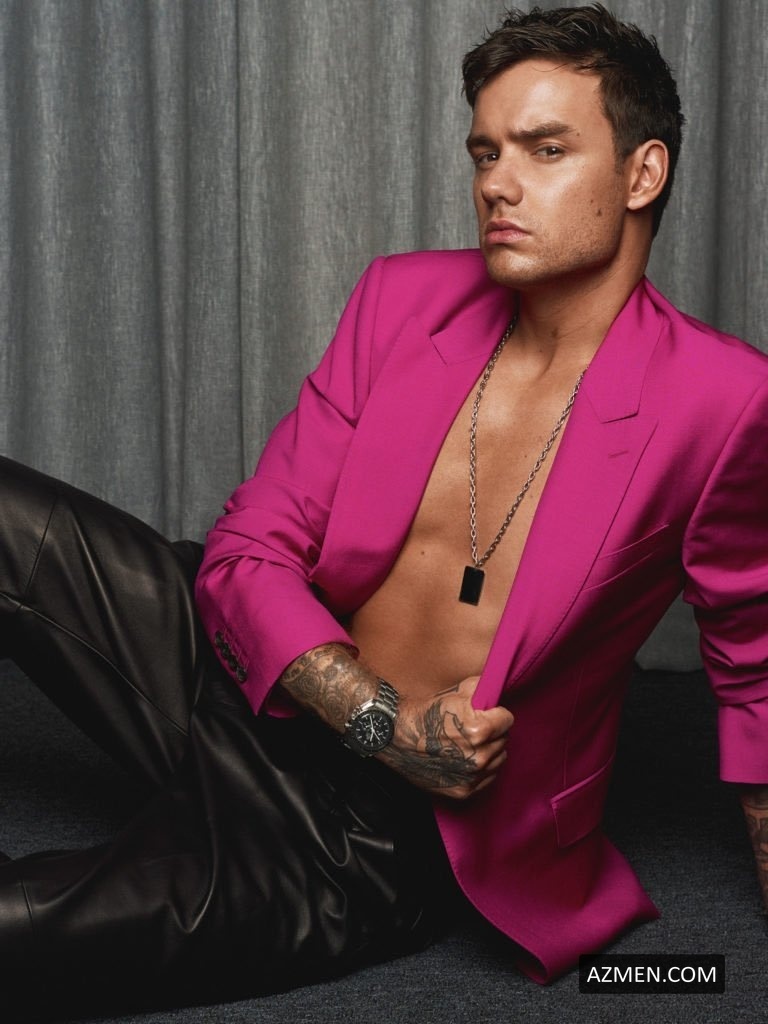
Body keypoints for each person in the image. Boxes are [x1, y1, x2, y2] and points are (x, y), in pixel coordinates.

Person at [1, 2, 767, 1017]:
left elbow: (756, 661)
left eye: (545, 150)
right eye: (486, 151)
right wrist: (382, 719)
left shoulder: (722, 401)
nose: (497, 183)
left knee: (24, 934)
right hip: (249, 669)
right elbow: (248, 547)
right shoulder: (403, 300)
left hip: (376, 831)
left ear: (642, 174)